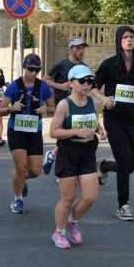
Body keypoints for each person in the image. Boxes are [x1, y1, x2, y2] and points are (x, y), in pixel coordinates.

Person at [92, 25, 134, 221]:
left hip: (132, 120)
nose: (129, 40)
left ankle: (104, 166)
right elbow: (93, 87)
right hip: (114, 119)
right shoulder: (109, 64)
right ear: (119, 41)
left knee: (131, 164)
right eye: (125, 37)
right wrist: (103, 99)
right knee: (125, 162)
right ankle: (123, 205)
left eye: (132, 37)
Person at [48, 64, 106, 248]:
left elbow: (94, 122)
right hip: (68, 152)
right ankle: (59, 231)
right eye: (82, 81)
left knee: (90, 196)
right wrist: (77, 132)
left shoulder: (93, 102)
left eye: (89, 81)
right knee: (68, 198)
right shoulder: (65, 104)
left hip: (88, 152)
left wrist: (101, 130)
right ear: (71, 83)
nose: (86, 84)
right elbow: (54, 132)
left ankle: (72, 221)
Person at [0, 53, 54, 213]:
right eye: (30, 69)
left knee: (35, 171)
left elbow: (53, 108)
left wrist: (46, 109)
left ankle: (21, 180)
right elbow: (1, 111)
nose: (34, 73)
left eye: (37, 70)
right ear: (24, 67)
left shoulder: (42, 86)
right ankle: (17, 200)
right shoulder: (14, 86)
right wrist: (11, 108)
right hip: (16, 130)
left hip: (34, 130)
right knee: (21, 167)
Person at [41, 38, 88, 174]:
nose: (81, 51)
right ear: (70, 50)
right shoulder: (61, 65)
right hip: (62, 107)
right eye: (77, 48)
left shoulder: (84, 67)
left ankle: (52, 156)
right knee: (65, 140)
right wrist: (60, 86)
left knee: (70, 140)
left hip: (77, 107)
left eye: (82, 48)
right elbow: (45, 80)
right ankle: (63, 172)